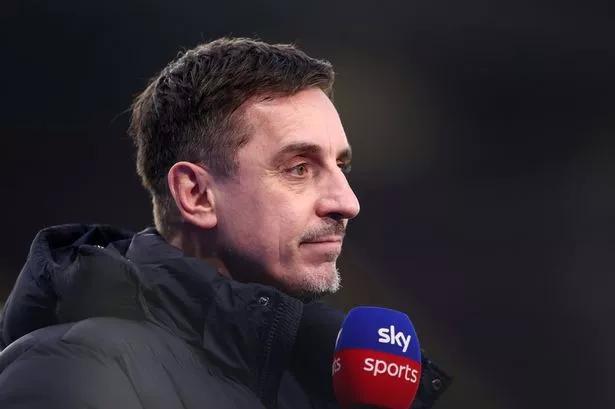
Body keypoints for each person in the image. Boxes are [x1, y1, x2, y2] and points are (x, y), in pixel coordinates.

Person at [0, 38, 450, 408]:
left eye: (341, 167)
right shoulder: (70, 371)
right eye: (299, 168)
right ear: (196, 195)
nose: (347, 203)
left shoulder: (316, 380)